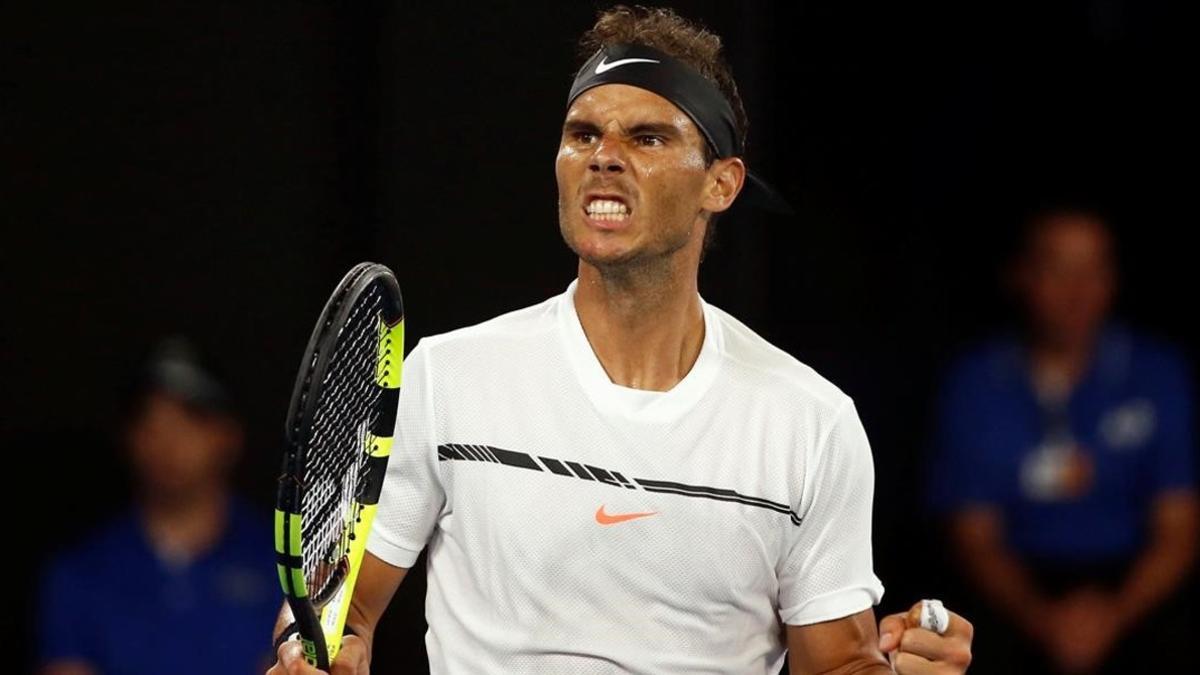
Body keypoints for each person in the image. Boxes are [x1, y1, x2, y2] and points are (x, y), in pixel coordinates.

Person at [271, 6, 974, 674]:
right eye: (583, 134)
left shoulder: (810, 423)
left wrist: (910, 662)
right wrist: (318, 651)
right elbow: (344, 611)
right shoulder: (447, 378)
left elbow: (840, 661)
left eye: (647, 137)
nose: (603, 157)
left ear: (721, 184)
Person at [928, 207, 1198, 674]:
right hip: (1016, 591)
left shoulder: (1156, 373)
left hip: (1131, 589)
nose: (1078, 291)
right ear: (1020, 275)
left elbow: (1179, 531)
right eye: (1057, 268)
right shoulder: (976, 381)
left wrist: (1111, 617)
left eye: (1094, 269)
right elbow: (974, 537)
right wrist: (1045, 621)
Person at [38, 338, 280, 675]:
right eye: (151, 421)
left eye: (190, 419)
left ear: (229, 435)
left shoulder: (283, 563)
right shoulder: (81, 571)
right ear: (128, 437)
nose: (168, 440)